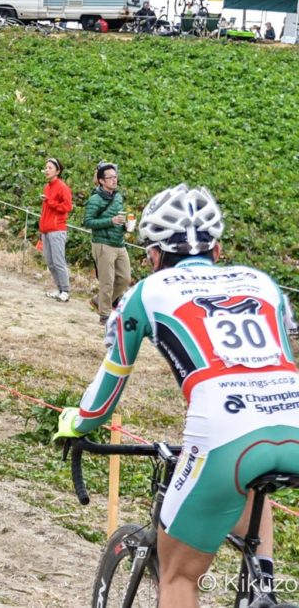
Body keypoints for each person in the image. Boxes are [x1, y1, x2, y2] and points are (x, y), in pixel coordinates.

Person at [53, 184, 299, 608]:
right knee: (253, 485)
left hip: (225, 435)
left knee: (179, 576)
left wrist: (76, 423)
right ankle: (264, 591)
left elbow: (106, 391)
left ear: (152, 255)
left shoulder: (146, 293)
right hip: (291, 422)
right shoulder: (262, 283)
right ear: (217, 249)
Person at [83, 162, 131, 324]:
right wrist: (110, 221)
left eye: (115, 177)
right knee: (107, 281)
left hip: (119, 243)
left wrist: (126, 225)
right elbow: (88, 222)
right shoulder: (95, 199)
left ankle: (98, 301)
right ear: (101, 181)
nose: (114, 180)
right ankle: (104, 315)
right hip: (103, 243)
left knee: (125, 279)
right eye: (110, 177)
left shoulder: (118, 197)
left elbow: (118, 217)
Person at [39, 157, 73, 302]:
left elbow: (67, 207)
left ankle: (65, 290)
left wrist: (50, 202)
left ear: (57, 171)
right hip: (46, 229)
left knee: (59, 261)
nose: (46, 170)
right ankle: (59, 289)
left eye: (50, 168)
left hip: (57, 229)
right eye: (46, 167)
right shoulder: (47, 187)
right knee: (50, 262)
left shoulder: (62, 187)